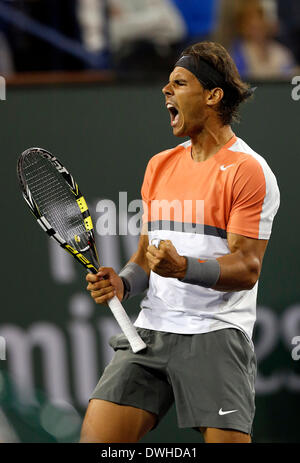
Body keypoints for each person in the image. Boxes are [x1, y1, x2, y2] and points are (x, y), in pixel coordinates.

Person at [80, 41, 280, 443]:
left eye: (179, 83)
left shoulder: (248, 171)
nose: (165, 91)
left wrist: (184, 268)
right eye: (167, 83)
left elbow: (247, 269)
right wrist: (123, 282)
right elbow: (142, 259)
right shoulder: (160, 165)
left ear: (212, 95)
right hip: (151, 331)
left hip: (216, 333)